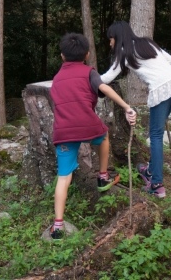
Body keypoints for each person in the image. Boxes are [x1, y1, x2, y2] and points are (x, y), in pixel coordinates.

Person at [49, 33, 137, 240]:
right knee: (103, 136)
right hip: (88, 125)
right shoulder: (89, 72)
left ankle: (58, 226)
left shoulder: (57, 79)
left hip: (63, 131)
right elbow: (103, 87)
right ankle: (103, 176)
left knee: (63, 177)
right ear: (87, 54)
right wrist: (126, 106)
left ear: (62, 56)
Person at [100, 21, 171, 198]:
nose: (110, 43)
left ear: (117, 38)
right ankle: (151, 171)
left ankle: (156, 184)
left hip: (161, 90)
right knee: (157, 131)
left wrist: (87, 78)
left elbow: (108, 77)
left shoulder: (124, 52)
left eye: (110, 39)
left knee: (155, 135)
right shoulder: (146, 42)